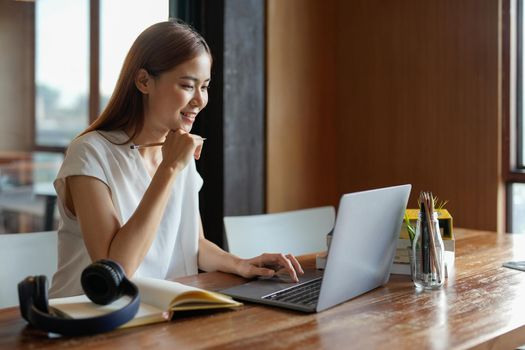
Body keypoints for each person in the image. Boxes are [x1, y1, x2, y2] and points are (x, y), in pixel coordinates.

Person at [49, 20, 303, 298]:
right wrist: (169, 169)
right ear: (144, 81)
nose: (200, 100)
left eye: (204, 87)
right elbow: (115, 269)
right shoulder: (90, 153)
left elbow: (191, 242)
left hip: (158, 312)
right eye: (187, 85)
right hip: (85, 319)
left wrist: (241, 264)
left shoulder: (177, 151)